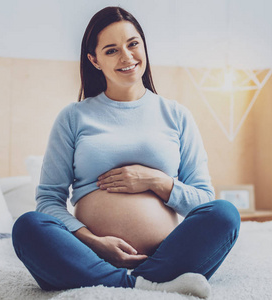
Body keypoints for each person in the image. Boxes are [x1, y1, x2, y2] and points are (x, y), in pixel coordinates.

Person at [12, 6, 240, 298]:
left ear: (143, 45)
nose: (127, 56)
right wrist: (93, 241)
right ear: (94, 60)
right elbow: (48, 201)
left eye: (133, 44)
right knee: (28, 226)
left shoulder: (177, 115)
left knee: (225, 214)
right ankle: (142, 285)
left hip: (166, 258)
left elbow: (203, 202)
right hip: (87, 255)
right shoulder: (73, 117)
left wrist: (156, 182)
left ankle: (133, 280)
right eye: (111, 50)